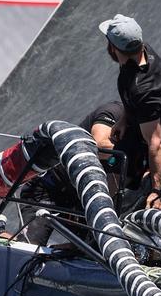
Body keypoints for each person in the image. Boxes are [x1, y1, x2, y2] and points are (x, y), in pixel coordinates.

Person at [99, 14, 161, 211]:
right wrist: (125, 119)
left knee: (155, 204)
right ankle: (100, 212)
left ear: (114, 48)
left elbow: (156, 143)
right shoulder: (141, 51)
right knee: (114, 168)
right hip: (145, 123)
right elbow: (136, 102)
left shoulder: (142, 89)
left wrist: (156, 189)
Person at [19, 100, 124, 245]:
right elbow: (97, 145)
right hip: (49, 189)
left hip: (78, 200)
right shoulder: (113, 110)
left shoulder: (148, 148)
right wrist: (130, 147)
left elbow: (117, 187)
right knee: (28, 247)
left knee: (94, 250)